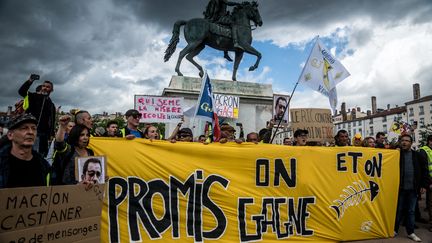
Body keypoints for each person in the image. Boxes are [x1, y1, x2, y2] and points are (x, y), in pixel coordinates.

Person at [0, 114, 51, 188]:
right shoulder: (2, 163)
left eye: (34, 128)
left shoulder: (44, 165)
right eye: (24, 128)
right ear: (10, 135)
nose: (30, 132)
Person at [394, 134, 429, 242]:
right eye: (402, 140)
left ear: (411, 143)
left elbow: (425, 170)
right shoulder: (396, 154)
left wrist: (424, 185)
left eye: (407, 140)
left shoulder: (418, 155)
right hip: (400, 189)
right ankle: (394, 230)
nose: (404, 142)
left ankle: (410, 232)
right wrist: (395, 150)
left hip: (413, 189)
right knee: (398, 210)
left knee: (411, 211)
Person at [18, 74, 56, 157]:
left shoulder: (51, 104)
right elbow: (21, 91)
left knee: (40, 156)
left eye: (48, 87)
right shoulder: (33, 96)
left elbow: (52, 120)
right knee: (27, 154)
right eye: (43, 86)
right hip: (29, 131)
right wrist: (30, 81)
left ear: (51, 90)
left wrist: (51, 134)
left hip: (43, 135)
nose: (45, 88)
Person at [51, 115, 94, 185]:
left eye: (87, 135)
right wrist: (62, 126)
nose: (85, 138)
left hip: (85, 191)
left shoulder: (90, 152)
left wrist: (100, 177)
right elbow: (59, 144)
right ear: (75, 135)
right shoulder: (69, 150)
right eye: (82, 135)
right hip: (67, 191)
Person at [419, 135, 432, 229]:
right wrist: (428, 183)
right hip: (430, 181)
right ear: (428, 141)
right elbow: (424, 168)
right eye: (431, 141)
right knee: (431, 203)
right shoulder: (424, 150)